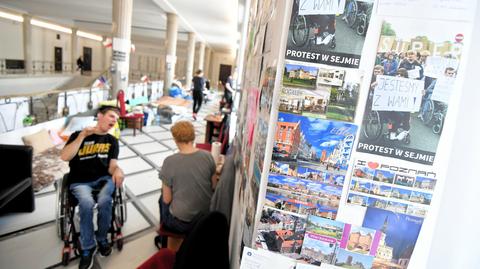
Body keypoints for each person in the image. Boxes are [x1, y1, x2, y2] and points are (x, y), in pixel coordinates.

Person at [60, 105, 124, 269]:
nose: (114, 121)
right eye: (111, 116)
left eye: (116, 119)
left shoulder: (112, 141)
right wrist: (82, 136)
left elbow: (112, 167)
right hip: (80, 181)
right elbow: (65, 156)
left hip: (104, 179)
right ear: (100, 116)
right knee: (86, 204)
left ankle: (102, 238)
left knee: (105, 202)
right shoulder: (77, 135)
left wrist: (118, 170)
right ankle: (88, 247)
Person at [159, 121, 217, 234]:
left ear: (175, 139)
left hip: (181, 224)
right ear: (193, 137)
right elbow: (213, 186)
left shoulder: (169, 161)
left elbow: (167, 199)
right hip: (204, 219)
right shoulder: (208, 156)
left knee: (161, 198)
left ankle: (163, 235)